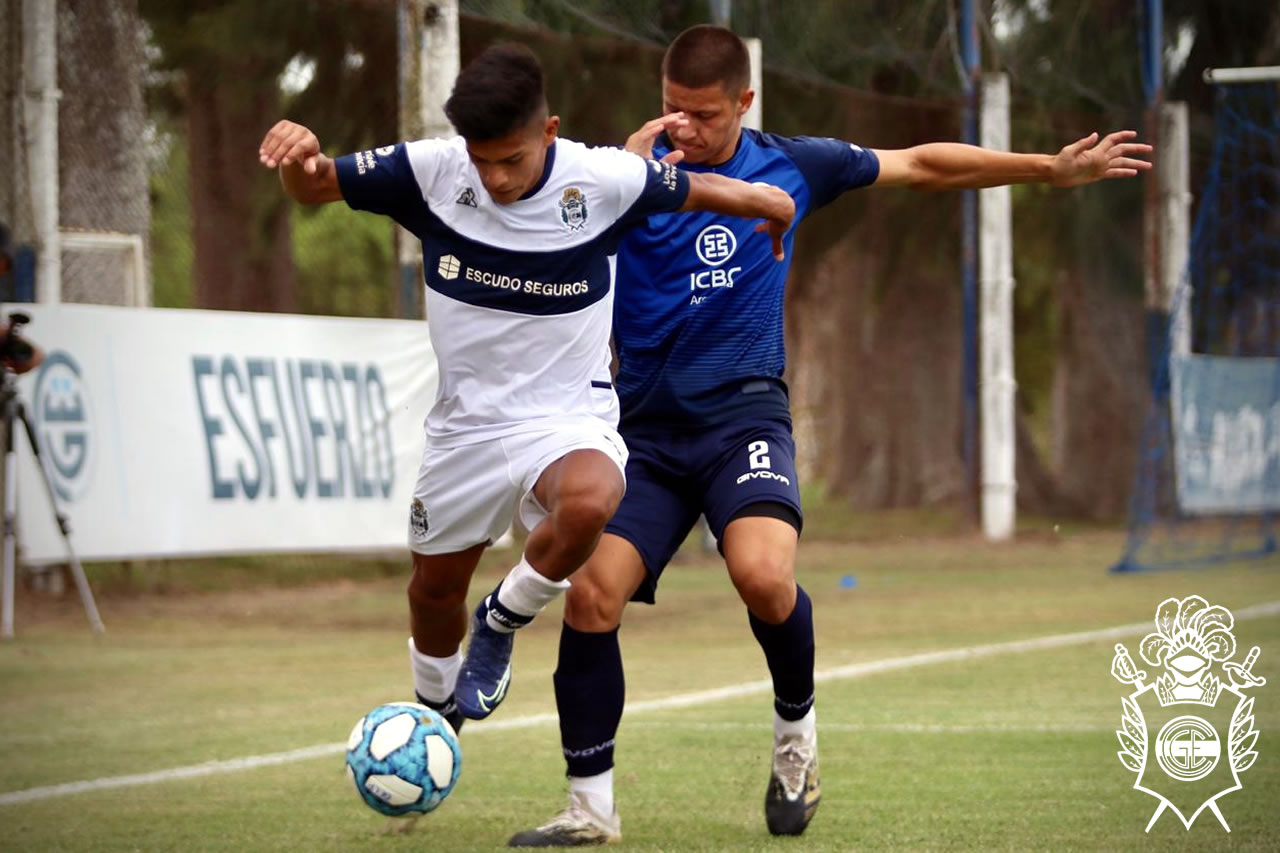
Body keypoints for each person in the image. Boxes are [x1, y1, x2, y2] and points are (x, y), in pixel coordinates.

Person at [509, 25, 1153, 846]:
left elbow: (922, 164)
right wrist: (623, 176)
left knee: (762, 577)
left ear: (745, 102)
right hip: (645, 436)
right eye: (673, 109)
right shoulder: (628, 175)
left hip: (743, 418)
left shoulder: (793, 165)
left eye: (705, 114)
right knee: (592, 596)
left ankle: (796, 740)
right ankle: (590, 810)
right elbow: (531, 216)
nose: (686, 128)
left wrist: (1046, 169)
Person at [256, 44, 795, 732]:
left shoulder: (599, 179)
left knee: (594, 497)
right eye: (481, 160)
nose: (495, 178)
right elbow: (315, 185)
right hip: (465, 428)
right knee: (432, 593)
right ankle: (436, 718)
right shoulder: (431, 171)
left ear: (549, 131)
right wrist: (300, 156)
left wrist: (768, 201)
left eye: (511, 159)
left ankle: (503, 615)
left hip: (566, 417)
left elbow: (697, 189)